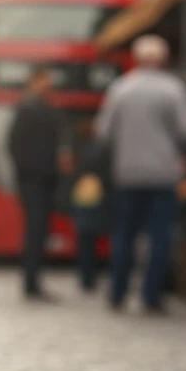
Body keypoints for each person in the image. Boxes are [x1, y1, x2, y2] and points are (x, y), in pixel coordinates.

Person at [96, 34, 186, 314]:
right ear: (163, 59)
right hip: (163, 173)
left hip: (127, 173)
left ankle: (118, 293)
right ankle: (152, 296)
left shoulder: (121, 88)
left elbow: (104, 132)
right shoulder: (173, 89)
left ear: (137, 58)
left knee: (124, 235)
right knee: (160, 237)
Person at [8, 65, 63, 301]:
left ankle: (34, 281)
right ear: (34, 82)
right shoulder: (28, 108)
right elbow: (15, 144)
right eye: (44, 81)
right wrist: (32, 171)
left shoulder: (43, 107)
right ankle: (31, 283)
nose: (48, 86)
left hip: (43, 180)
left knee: (40, 232)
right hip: (34, 181)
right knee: (36, 230)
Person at [70, 122, 111, 294]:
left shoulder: (80, 150)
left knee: (85, 240)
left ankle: (85, 277)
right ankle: (91, 277)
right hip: (98, 198)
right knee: (92, 240)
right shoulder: (105, 150)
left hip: (83, 198)